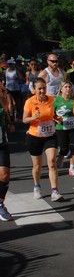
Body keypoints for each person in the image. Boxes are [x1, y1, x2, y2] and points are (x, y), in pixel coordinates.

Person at [22, 78, 63, 201]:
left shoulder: (51, 99)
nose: (42, 91)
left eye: (44, 88)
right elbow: (24, 120)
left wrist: (57, 118)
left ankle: (55, 191)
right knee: (37, 165)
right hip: (34, 136)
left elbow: (53, 114)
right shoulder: (29, 102)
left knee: (52, 162)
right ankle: (37, 187)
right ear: (34, 90)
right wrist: (33, 117)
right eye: (39, 88)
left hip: (50, 135)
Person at [54, 81, 74, 176]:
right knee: (64, 148)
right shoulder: (56, 101)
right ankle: (61, 156)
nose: (68, 89)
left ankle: (72, 168)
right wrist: (57, 119)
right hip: (61, 128)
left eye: (69, 87)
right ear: (61, 89)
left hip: (73, 127)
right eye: (66, 87)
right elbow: (51, 113)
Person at [0, 83, 15, 221]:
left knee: (4, 175)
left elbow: (5, 113)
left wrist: (10, 123)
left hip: (1, 142)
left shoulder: (2, 98)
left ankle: (0, 204)